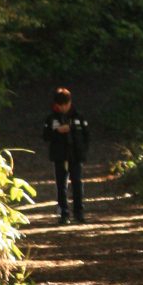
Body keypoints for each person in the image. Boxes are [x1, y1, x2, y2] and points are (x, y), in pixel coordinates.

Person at [40, 86, 90, 223]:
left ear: (70, 102)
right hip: (59, 156)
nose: (63, 108)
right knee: (61, 185)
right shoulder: (51, 119)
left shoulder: (78, 117)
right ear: (56, 105)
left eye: (65, 105)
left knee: (77, 183)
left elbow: (86, 136)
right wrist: (57, 132)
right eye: (60, 105)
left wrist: (72, 130)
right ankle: (63, 213)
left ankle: (79, 212)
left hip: (75, 155)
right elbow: (45, 136)